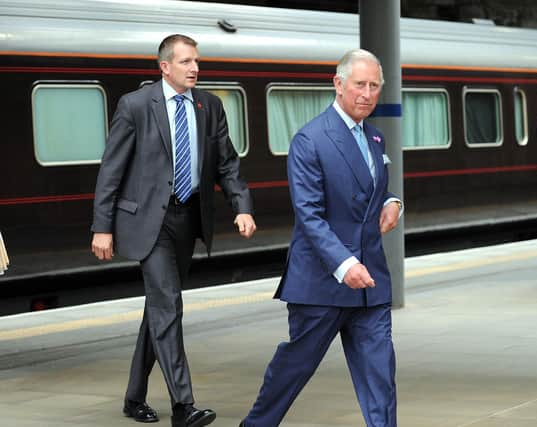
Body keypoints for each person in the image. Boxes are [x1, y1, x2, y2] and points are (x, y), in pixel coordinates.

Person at [91, 34, 256, 427]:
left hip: (188, 218)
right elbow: (111, 169)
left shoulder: (209, 105)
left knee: (159, 309)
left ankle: (134, 398)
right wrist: (102, 227)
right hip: (149, 221)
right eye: (185, 62)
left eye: (196, 61)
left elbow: (227, 162)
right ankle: (183, 406)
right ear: (164, 67)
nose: (194, 68)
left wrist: (241, 206)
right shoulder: (135, 106)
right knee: (169, 306)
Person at [240, 49, 402, 427]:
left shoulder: (375, 137)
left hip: (370, 285)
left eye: (374, 85)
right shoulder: (309, 140)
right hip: (321, 284)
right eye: (359, 84)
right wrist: (344, 265)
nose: (367, 93)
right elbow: (309, 216)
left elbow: (377, 189)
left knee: (381, 377)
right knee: (294, 369)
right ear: (338, 84)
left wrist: (394, 202)